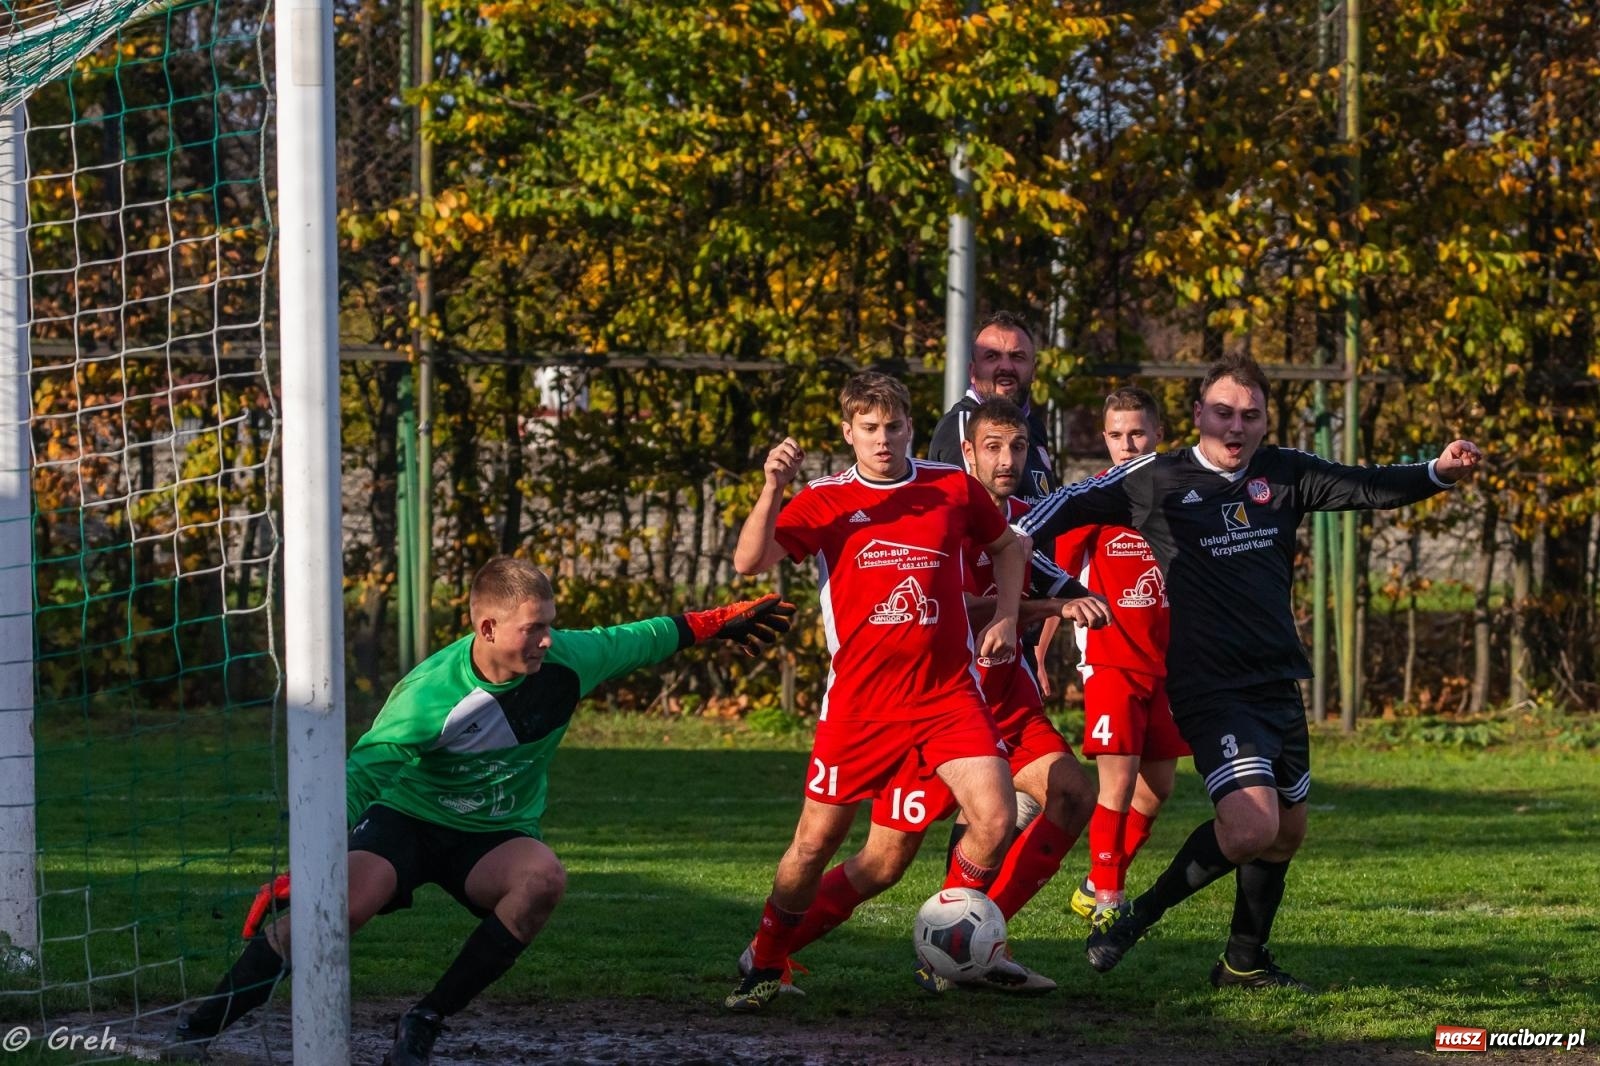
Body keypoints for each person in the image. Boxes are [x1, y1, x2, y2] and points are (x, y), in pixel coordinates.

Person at [166, 557, 794, 1063]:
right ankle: (199, 1028)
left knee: (542, 879)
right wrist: (312, 866)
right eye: (533, 628)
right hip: (406, 821)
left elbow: (650, 636)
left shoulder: (570, 658)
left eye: (550, 623)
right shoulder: (429, 693)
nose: (547, 639)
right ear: (487, 629)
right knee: (339, 908)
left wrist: (718, 622)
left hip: (494, 836)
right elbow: (360, 777)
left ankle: (424, 1020)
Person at [1016, 353, 1481, 990]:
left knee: (1286, 832)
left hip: (1277, 679)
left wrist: (1437, 471)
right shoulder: (1157, 476)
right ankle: (1131, 917)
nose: (1236, 427)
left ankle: (1244, 959)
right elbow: (1063, 506)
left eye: (1251, 416)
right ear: (1200, 415)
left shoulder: (1283, 473)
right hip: (1209, 684)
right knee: (1252, 823)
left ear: (1265, 422)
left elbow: (1364, 483)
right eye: (1224, 413)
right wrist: (1016, 544)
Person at [740, 399, 1106, 996]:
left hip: (950, 700)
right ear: (848, 433)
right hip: (863, 708)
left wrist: (1012, 618)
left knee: (997, 816)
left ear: (911, 428)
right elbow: (749, 561)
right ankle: (765, 955)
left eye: (894, 427)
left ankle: (962, 943)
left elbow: (1012, 550)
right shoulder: (827, 498)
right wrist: (772, 488)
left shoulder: (953, 492)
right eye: (870, 429)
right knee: (845, 851)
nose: (883, 440)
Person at [1042, 388, 1188, 929]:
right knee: (1118, 784)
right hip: (1111, 661)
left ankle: (1094, 881)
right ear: (1104, 440)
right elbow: (1051, 583)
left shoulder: (1180, 498)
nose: (1128, 445)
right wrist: (1037, 653)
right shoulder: (1093, 502)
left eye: (1138, 434)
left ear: (1158, 434)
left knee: (1158, 789)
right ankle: (1108, 898)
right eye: (1117, 436)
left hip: (1169, 665)